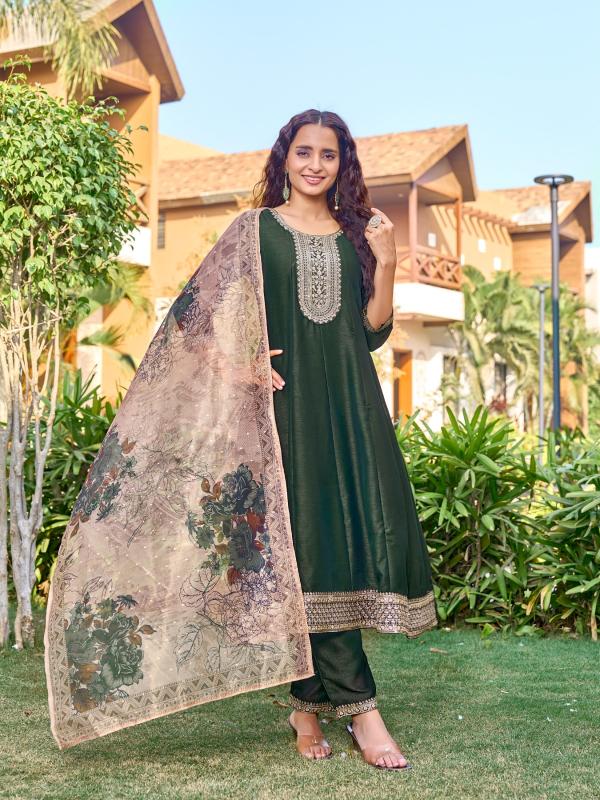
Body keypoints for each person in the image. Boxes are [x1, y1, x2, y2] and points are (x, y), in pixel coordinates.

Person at [251, 109, 437, 770]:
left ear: (342, 164)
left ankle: (306, 707)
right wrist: (247, 360)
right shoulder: (254, 231)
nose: (314, 165)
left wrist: (387, 262)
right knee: (308, 545)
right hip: (287, 409)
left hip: (352, 406)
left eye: (327, 155)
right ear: (286, 156)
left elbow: (373, 330)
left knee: (337, 541)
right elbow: (202, 313)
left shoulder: (357, 234)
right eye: (304, 151)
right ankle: (363, 711)